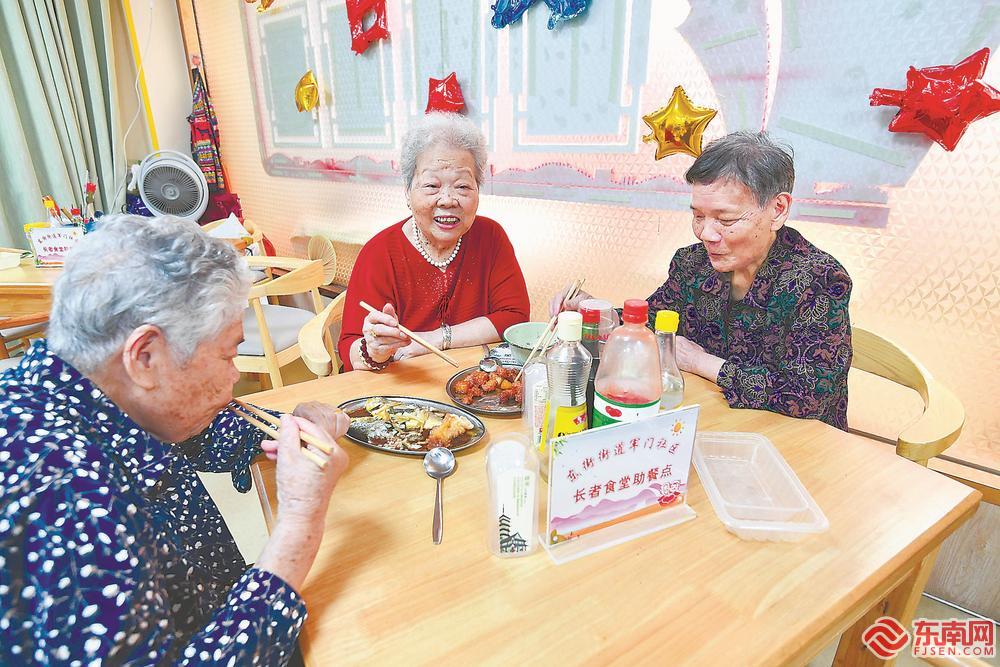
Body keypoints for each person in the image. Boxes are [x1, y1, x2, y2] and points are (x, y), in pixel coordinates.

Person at [0, 215, 350, 665]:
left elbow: (197, 430)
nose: (236, 376)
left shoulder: (81, 380)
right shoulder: (67, 498)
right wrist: (300, 520)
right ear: (145, 357)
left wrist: (291, 425)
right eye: (228, 354)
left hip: (207, 599)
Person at [551, 132, 852, 429]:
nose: (706, 234)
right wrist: (598, 314)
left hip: (792, 439)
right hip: (709, 421)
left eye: (726, 220)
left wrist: (700, 362)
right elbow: (653, 321)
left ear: (778, 210)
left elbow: (806, 396)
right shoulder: (693, 263)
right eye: (698, 216)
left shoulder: (819, 280)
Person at [338, 112, 530, 371]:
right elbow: (349, 348)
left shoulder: (491, 236)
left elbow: (514, 317)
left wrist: (436, 339)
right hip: (404, 384)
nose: (448, 200)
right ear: (408, 192)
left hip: (471, 379)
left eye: (462, 187)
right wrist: (375, 350)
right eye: (431, 186)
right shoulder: (379, 253)